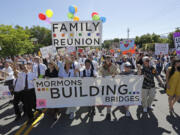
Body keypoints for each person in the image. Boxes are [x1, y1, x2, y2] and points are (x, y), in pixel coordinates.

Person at [99, 55, 120, 120]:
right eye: (107, 59)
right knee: (104, 98)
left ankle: (108, 113)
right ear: (105, 59)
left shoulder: (113, 66)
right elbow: (99, 73)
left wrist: (114, 74)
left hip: (111, 84)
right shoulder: (102, 66)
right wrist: (101, 75)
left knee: (109, 98)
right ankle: (108, 110)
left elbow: (118, 72)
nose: (108, 60)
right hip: (104, 84)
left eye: (109, 59)